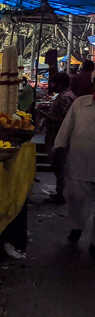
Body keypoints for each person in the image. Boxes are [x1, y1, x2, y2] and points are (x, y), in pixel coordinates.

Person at [53, 79, 95, 258]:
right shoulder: (80, 103)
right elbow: (65, 129)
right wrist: (59, 149)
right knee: (77, 199)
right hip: (79, 162)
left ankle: (94, 242)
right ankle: (77, 228)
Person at [40, 73, 76, 204]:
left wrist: (46, 116)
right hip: (55, 135)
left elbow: (66, 120)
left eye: (53, 83)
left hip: (58, 136)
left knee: (59, 165)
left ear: (59, 83)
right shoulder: (64, 96)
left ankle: (62, 194)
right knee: (58, 165)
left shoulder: (65, 98)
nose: (51, 86)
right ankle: (60, 192)